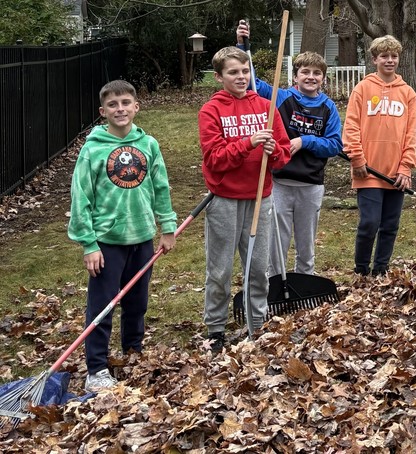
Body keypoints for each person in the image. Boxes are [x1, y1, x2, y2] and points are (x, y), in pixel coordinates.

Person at [68, 80, 178, 391]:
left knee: (137, 303)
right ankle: (97, 368)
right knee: (102, 305)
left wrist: (166, 227)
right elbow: (81, 199)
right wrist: (89, 244)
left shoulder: (148, 145)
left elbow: (160, 186)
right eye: (113, 105)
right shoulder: (93, 149)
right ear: (103, 111)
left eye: (126, 103)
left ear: (136, 107)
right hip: (106, 242)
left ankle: (133, 354)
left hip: (142, 237)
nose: (120, 109)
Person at [198, 46, 291, 352]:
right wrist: (248, 142)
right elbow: (214, 159)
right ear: (219, 76)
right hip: (224, 199)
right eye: (233, 72)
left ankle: (257, 324)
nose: (240, 77)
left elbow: (284, 154)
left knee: (258, 267)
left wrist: (272, 152)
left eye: (244, 71)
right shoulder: (211, 111)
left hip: (260, 199)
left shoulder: (266, 107)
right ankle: (215, 329)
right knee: (221, 269)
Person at [236, 21, 342, 277]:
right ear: (296, 76)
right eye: (305, 72)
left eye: (316, 73)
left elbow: (335, 144)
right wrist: (242, 45)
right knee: (277, 240)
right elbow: (251, 83)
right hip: (280, 182)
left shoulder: (328, 107)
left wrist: (304, 141)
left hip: (311, 184)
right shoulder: (282, 98)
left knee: (306, 242)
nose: (311, 77)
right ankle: (276, 282)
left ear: (322, 79)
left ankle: (306, 280)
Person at [344, 35, 416, 276]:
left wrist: (406, 167)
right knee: (369, 223)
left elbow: (410, 133)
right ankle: (361, 271)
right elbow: (352, 125)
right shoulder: (362, 89)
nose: (389, 60)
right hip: (368, 170)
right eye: (384, 56)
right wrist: (356, 158)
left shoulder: (407, 93)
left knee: (390, 225)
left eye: (394, 56)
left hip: (396, 173)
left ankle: (381, 270)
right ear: (374, 59)